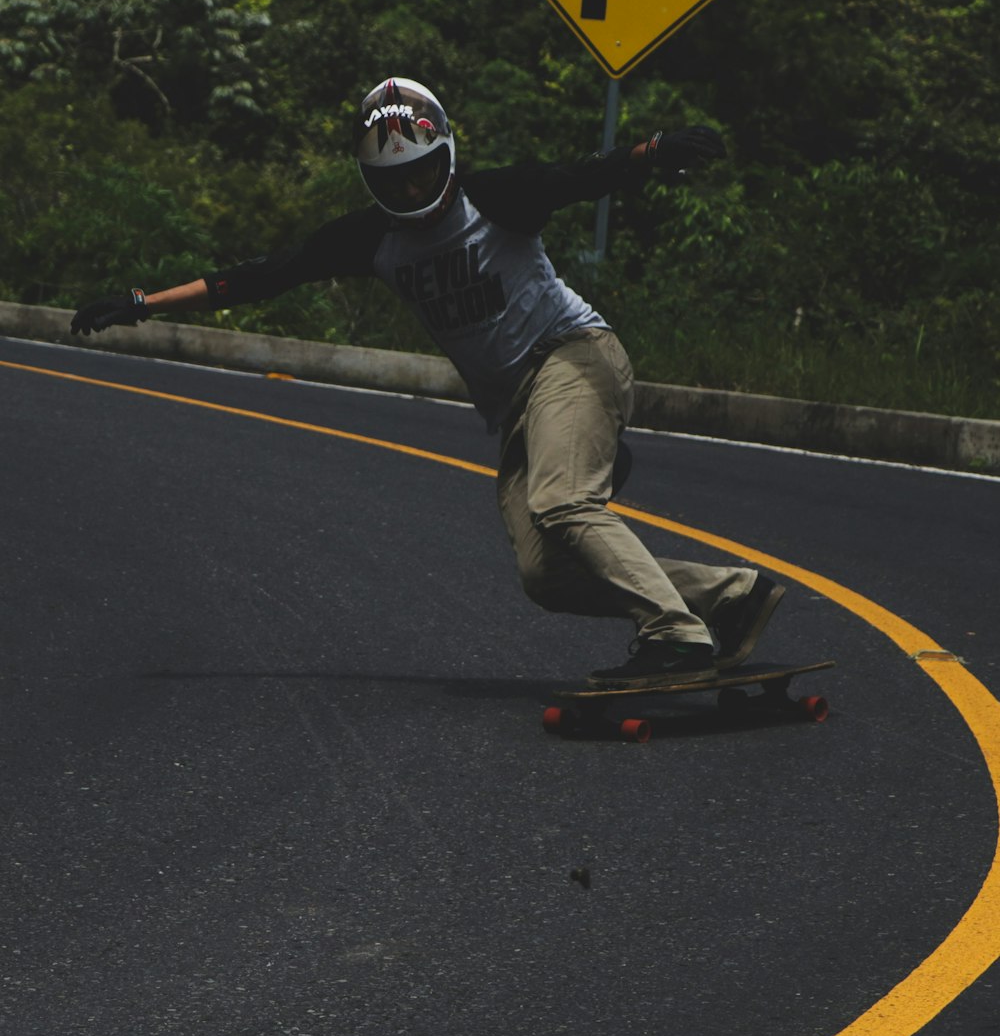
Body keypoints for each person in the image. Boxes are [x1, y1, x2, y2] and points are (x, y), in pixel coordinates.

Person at [71, 76, 783, 684]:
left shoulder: (494, 198)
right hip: (517, 406)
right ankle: (730, 596)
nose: (414, 188)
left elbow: (580, 177)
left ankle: (674, 635)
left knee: (565, 500)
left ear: (445, 154)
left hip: (575, 355)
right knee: (545, 575)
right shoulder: (371, 239)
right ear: (373, 181)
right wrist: (141, 305)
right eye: (396, 179)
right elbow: (261, 276)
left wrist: (652, 152)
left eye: (423, 170)